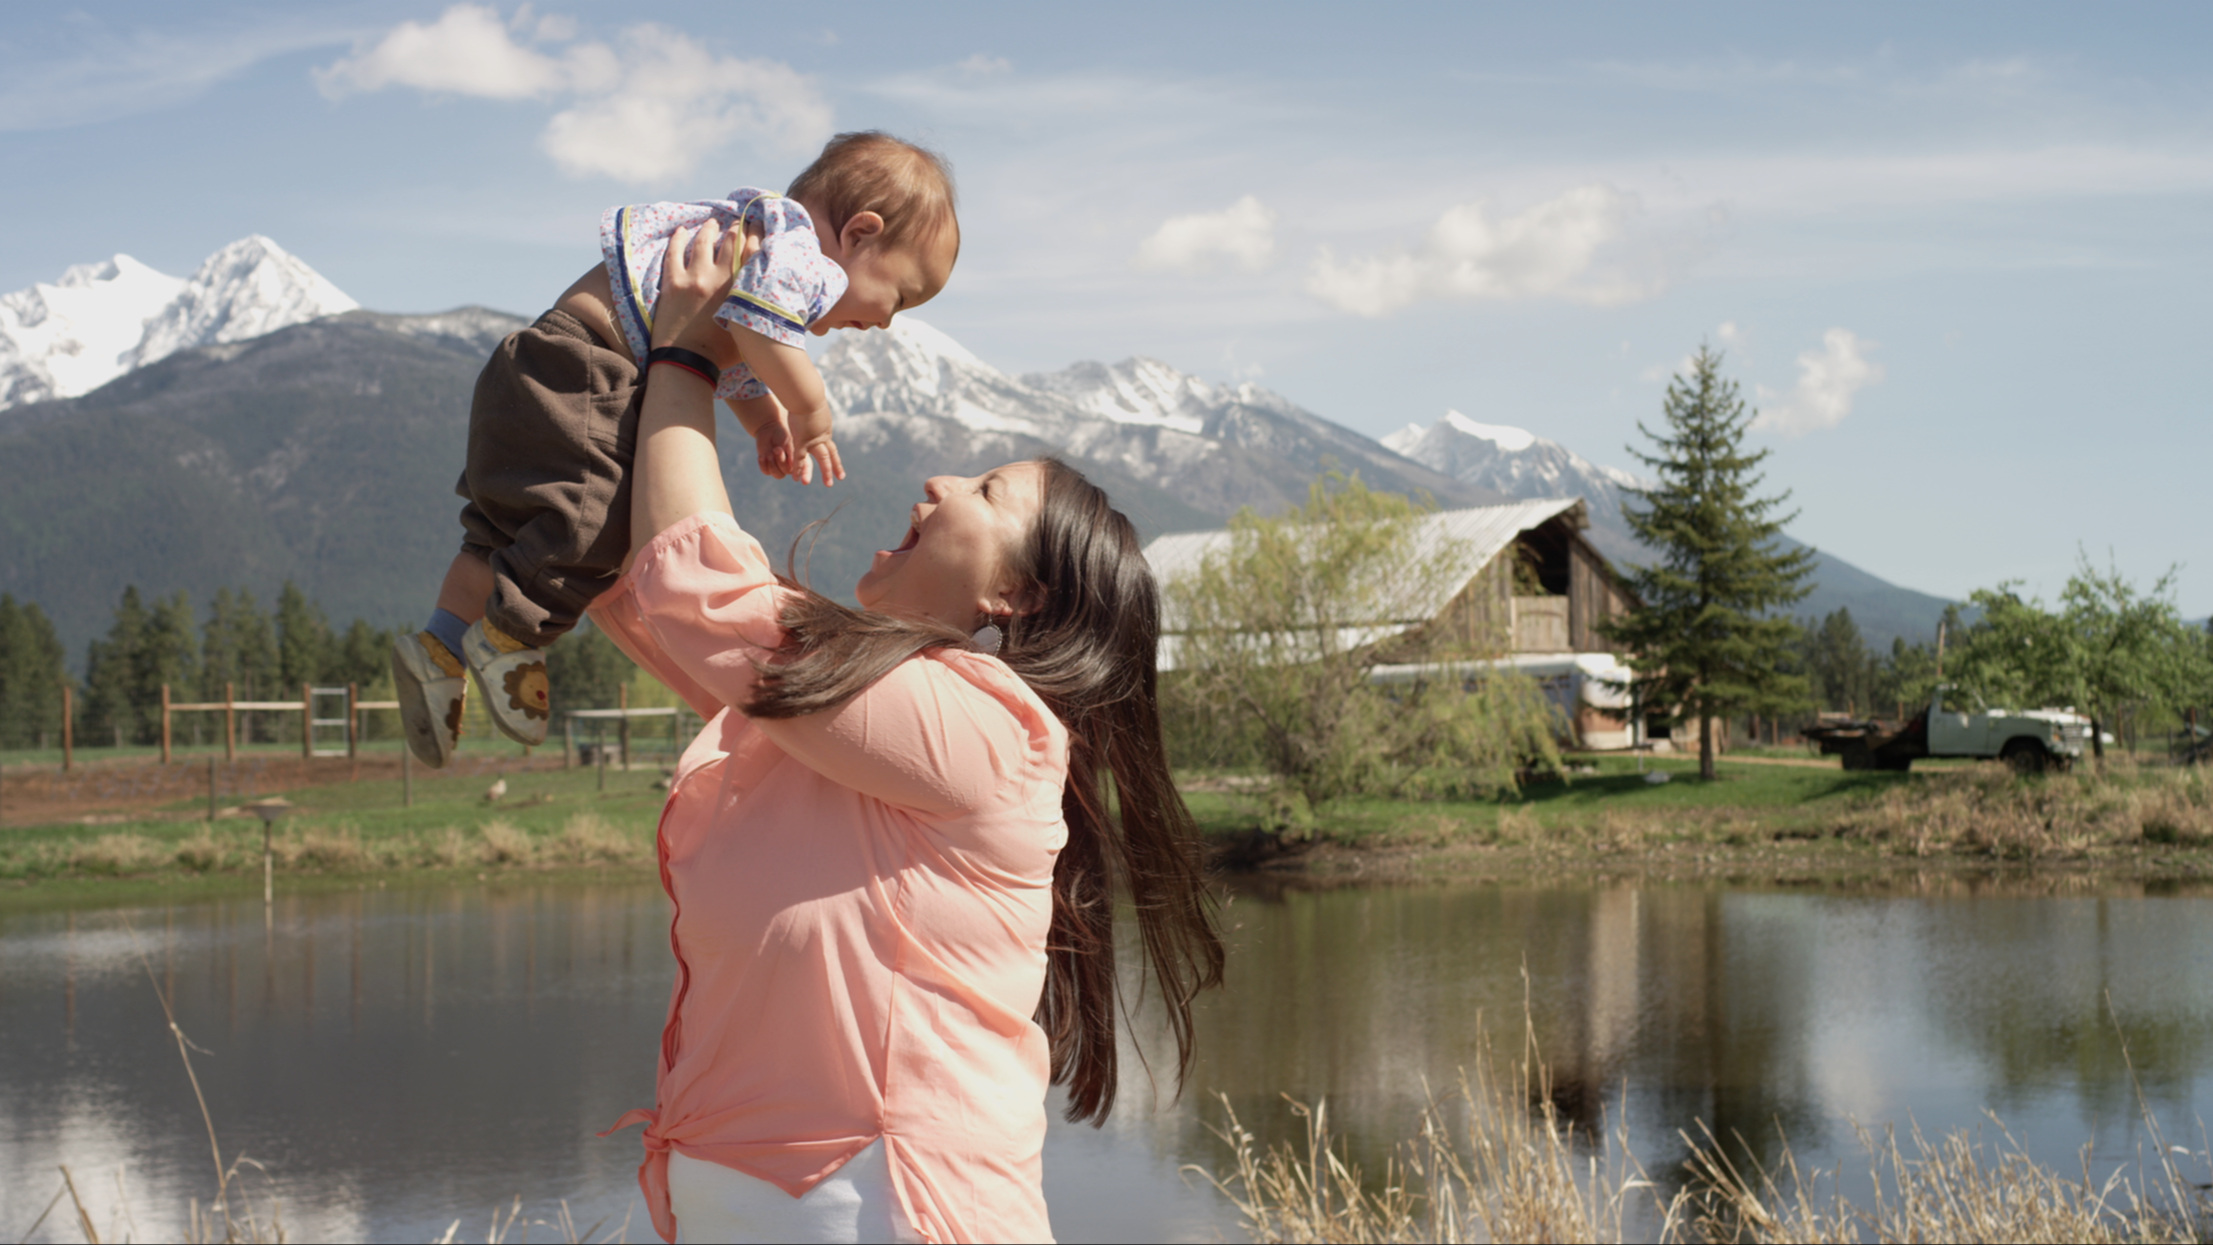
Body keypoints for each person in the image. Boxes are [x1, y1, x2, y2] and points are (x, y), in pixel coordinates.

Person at [594, 221, 1223, 1243]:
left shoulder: (993, 733)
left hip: (888, 1202)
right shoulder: (848, 718)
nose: (936, 483)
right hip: (753, 1193)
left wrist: (684, 355)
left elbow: (695, 598)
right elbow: (653, 594)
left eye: (984, 493)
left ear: (1017, 591)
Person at [391, 131, 959, 768]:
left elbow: (729, 341)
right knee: (596, 533)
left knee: (501, 536)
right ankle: (511, 639)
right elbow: (758, 329)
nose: (888, 320)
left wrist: (762, 420)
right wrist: (808, 411)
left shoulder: (757, 245)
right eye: (901, 296)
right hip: (589, 374)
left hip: (544, 369)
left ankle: (439, 647)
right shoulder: (798, 253)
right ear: (858, 234)